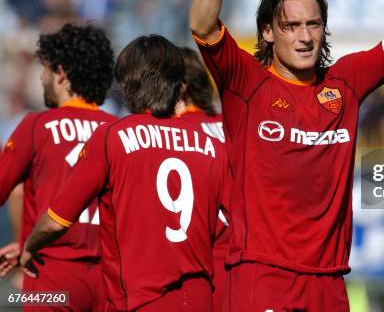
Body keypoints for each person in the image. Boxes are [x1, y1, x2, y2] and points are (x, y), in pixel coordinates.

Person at [189, 0, 384, 311]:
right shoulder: (247, 83)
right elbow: (203, 26)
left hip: (329, 280)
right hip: (262, 274)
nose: (304, 37)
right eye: (291, 26)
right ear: (268, 32)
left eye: (313, 24)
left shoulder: (346, 82)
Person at [20, 36, 228, 311]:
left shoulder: (110, 137)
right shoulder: (214, 147)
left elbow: (56, 221)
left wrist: (29, 248)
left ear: (127, 84)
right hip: (200, 298)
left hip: (139, 298)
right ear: (179, 85)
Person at [0, 23, 115, 311]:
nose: (41, 77)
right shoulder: (119, 130)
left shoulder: (36, 126)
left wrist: (30, 243)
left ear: (61, 73)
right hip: (110, 280)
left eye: (46, 68)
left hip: (51, 275)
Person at [176, 46, 229, 312]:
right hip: (246, 268)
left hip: (199, 272)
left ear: (180, 86)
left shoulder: (173, 134)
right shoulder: (233, 123)